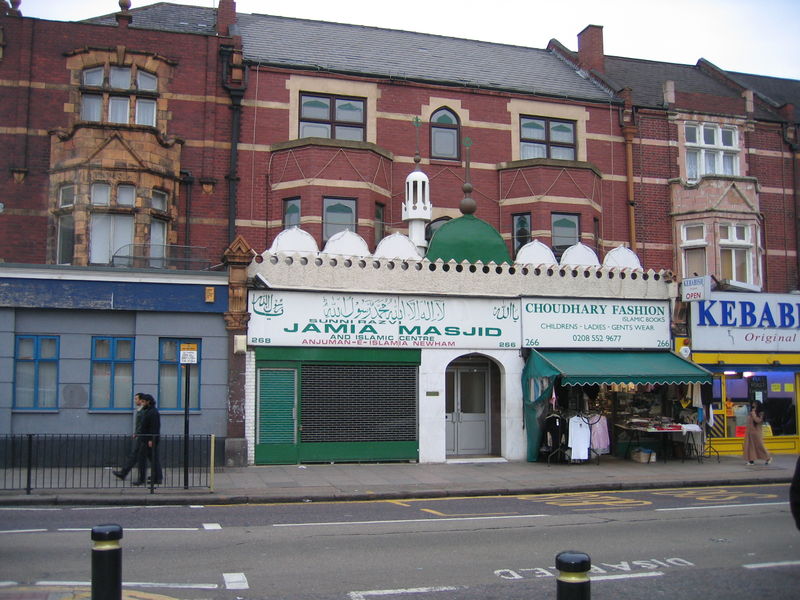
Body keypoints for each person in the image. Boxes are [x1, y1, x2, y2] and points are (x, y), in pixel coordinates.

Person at [113, 392, 162, 485]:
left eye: (143, 401)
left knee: (144, 459)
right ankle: (156, 477)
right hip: (145, 439)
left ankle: (144, 479)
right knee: (151, 459)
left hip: (147, 439)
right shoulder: (148, 410)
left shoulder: (152, 412)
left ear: (148, 402)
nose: (142, 403)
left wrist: (151, 439)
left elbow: (154, 427)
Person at [743, 401, 771, 466]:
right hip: (750, 432)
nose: (753, 406)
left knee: (759, 446)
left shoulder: (760, 413)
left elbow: (758, 420)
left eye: (755, 405)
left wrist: (754, 414)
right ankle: (751, 460)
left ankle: (768, 458)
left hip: (756, 432)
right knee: (750, 447)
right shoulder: (752, 412)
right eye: (753, 405)